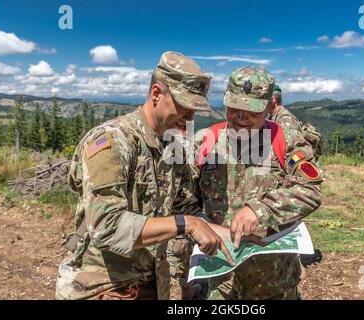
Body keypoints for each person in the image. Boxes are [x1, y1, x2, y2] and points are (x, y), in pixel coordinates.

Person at [55, 51, 234, 300]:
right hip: (102, 285)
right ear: (156, 94)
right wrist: (187, 225)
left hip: (151, 281)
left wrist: (237, 236)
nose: (190, 119)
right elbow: (106, 226)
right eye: (183, 107)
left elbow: (186, 207)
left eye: (194, 111)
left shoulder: (173, 147)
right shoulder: (112, 141)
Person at [196, 67, 323, 299]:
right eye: (234, 108)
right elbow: (184, 205)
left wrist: (259, 210)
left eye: (251, 111)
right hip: (221, 281)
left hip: (274, 283)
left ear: (268, 106)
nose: (241, 117)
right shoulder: (205, 141)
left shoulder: (285, 139)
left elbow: (310, 190)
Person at [268, 84, 322, 160]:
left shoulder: (285, 121)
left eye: (262, 99)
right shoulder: (274, 118)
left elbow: (291, 155)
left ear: (273, 100)